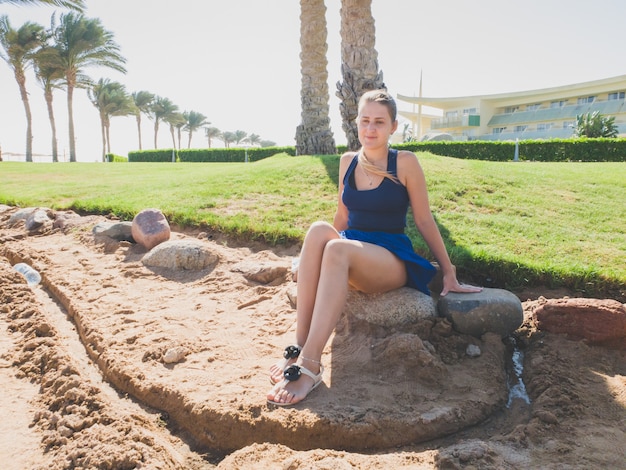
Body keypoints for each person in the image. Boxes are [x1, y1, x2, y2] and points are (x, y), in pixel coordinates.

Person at [267, 89, 482, 406]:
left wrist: (448, 273)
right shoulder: (347, 162)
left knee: (338, 250)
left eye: (379, 122)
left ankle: (310, 366)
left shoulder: (405, 163)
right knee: (317, 231)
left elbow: (424, 221)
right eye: (365, 121)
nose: (370, 129)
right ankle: (300, 347)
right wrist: (312, 262)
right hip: (353, 248)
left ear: (393, 126)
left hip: (390, 256)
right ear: (357, 123)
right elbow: (341, 217)